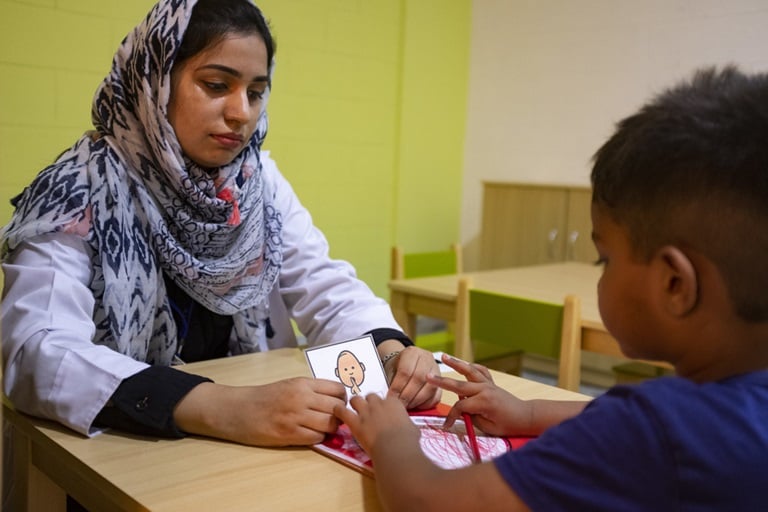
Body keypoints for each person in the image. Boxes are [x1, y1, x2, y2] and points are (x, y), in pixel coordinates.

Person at [0, 0, 440, 448]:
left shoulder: (254, 182)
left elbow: (322, 284)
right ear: (155, 81)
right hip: (123, 448)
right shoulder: (78, 189)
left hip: (250, 444)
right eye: (216, 85)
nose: (242, 112)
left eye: (256, 92)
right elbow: (37, 350)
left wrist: (390, 352)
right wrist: (224, 407)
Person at [335, 66, 768, 511]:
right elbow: (616, 416)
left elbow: (425, 500)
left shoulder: (655, 434)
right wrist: (527, 413)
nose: (601, 272)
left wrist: (390, 436)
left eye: (604, 258)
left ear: (674, 284)